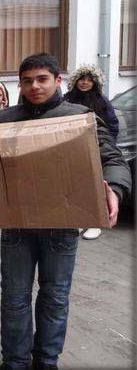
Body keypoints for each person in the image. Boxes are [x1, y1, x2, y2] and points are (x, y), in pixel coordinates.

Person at [0, 53, 131, 370]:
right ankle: (15, 361)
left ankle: (46, 361)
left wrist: (115, 189)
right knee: (14, 297)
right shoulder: (3, 121)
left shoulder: (80, 117)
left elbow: (113, 160)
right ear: (20, 84)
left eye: (42, 79)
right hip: (16, 225)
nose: (34, 86)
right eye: (27, 81)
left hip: (62, 225)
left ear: (57, 81)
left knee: (54, 297)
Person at [64, 63, 120, 241]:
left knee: (95, 184)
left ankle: (95, 222)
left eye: (89, 80)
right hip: (72, 148)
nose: (85, 83)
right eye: (82, 79)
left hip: (95, 148)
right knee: (75, 184)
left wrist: (104, 144)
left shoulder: (101, 100)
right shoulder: (67, 99)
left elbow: (112, 124)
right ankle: (80, 219)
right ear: (76, 80)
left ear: (95, 83)